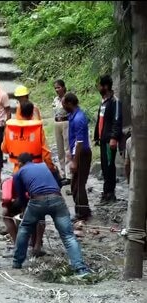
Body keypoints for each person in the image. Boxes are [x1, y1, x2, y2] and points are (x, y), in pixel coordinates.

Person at [12, 153, 91, 277]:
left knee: (25, 228)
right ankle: (81, 269)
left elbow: (21, 197)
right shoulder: (44, 166)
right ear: (32, 161)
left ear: (20, 163)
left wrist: (23, 208)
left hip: (37, 200)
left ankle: (17, 262)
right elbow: (58, 183)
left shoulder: (19, 172)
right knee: (68, 236)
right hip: (57, 200)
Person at [0, 101, 54, 256]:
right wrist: (51, 169)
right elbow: (46, 153)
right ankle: (37, 245)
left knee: (17, 210)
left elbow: (4, 148)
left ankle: (19, 244)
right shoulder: (38, 129)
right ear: (32, 113)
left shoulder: (10, 128)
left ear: (18, 112)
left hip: (18, 175)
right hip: (36, 176)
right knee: (38, 211)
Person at [62, 92, 92, 222]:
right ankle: (83, 209)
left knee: (79, 184)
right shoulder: (72, 116)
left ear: (69, 103)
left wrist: (74, 161)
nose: (62, 106)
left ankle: (82, 213)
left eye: (63, 103)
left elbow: (79, 142)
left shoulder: (79, 118)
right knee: (75, 184)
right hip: (77, 153)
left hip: (82, 154)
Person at [94, 75, 122, 205]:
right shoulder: (104, 101)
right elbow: (100, 121)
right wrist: (96, 137)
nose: (98, 87)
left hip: (109, 141)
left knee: (109, 167)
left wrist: (114, 137)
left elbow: (117, 120)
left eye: (100, 85)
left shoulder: (115, 102)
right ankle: (106, 192)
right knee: (105, 167)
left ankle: (109, 194)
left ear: (105, 86)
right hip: (103, 140)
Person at [52, 80, 71, 185]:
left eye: (58, 87)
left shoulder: (67, 98)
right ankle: (63, 173)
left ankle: (69, 174)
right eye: (55, 88)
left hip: (66, 122)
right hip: (57, 122)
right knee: (60, 150)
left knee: (67, 148)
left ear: (63, 87)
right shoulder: (55, 100)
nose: (57, 90)